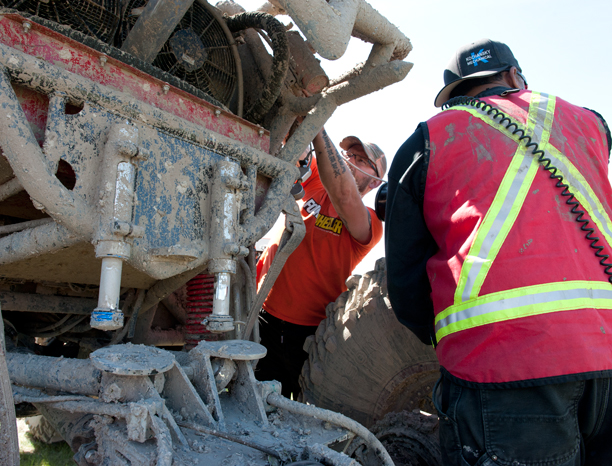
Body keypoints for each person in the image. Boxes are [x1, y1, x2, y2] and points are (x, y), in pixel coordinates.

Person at [384, 38, 612, 466]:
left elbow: (405, 281)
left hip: (505, 370)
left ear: (453, 98)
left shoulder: (427, 141)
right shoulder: (591, 124)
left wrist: (447, 339)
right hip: (607, 349)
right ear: (512, 76)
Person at [256, 128, 386, 398]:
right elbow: (301, 153)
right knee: (252, 401)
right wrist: (302, 131)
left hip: (307, 335)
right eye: (348, 154)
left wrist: (318, 128)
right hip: (262, 316)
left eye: (361, 161)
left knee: (298, 412)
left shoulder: (368, 223)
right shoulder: (316, 182)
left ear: (374, 182)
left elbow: (345, 194)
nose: (349, 160)